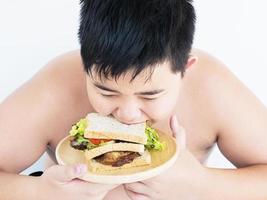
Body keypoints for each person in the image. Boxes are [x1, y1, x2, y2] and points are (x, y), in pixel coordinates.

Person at [1, 0, 267, 199]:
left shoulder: (211, 88)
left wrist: (203, 186)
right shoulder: (56, 87)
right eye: (105, 91)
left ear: (185, 68)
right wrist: (38, 193)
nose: (127, 114)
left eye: (150, 94)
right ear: (85, 65)